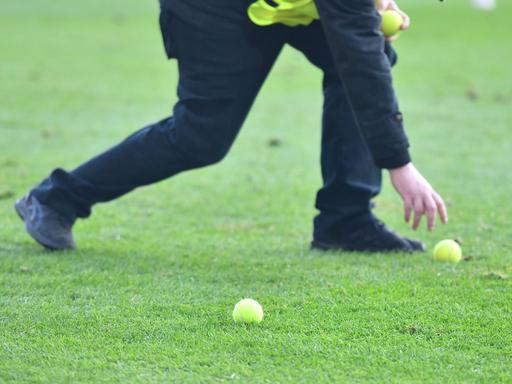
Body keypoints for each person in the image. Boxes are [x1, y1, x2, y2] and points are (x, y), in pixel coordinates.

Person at [15, 0, 448, 252]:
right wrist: (399, 163)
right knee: (201, 135)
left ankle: (346, 219)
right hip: (212, 9)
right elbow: (358, 50)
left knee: (364, 56)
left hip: (278, 7)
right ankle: (54, 199)